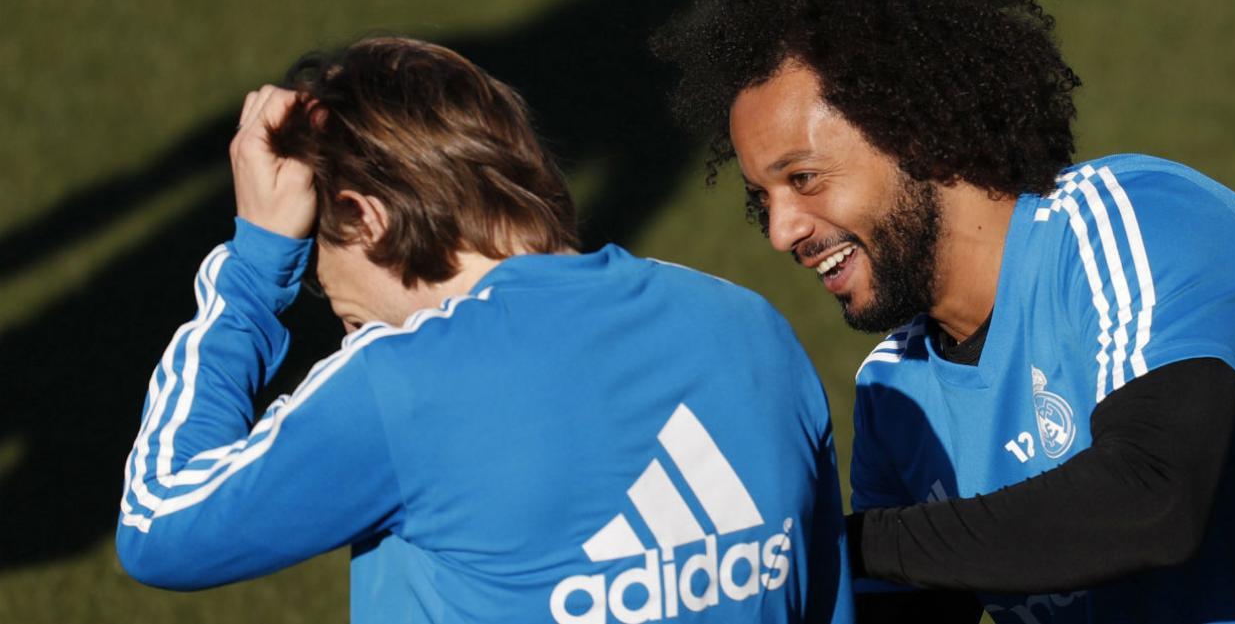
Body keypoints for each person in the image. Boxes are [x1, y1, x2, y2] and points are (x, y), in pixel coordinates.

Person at [115, 37, 854, 624]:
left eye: (319, 258)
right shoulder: (752, 331)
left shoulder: (403, 381)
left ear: (366, 217)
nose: (337, 313)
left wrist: (253, 270)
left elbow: (160, 525)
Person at [652, 0, 1235, 623]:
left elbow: (1152, 498)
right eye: (765, 199)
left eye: (805, 176)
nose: (782, 229)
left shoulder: (1126, 223)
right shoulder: (893, 393)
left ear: (915, 132)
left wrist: (828, 542)